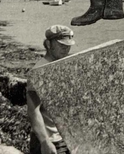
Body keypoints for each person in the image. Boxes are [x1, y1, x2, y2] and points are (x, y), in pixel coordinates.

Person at [27, 25, 76, 154]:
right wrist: (45, 142)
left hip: (65, 139)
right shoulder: (39, 72)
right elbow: (33, 111)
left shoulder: (60, 68)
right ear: (48, 44)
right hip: (49, 140)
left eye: (68, 45)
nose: (66, 49)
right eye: (61, 45)